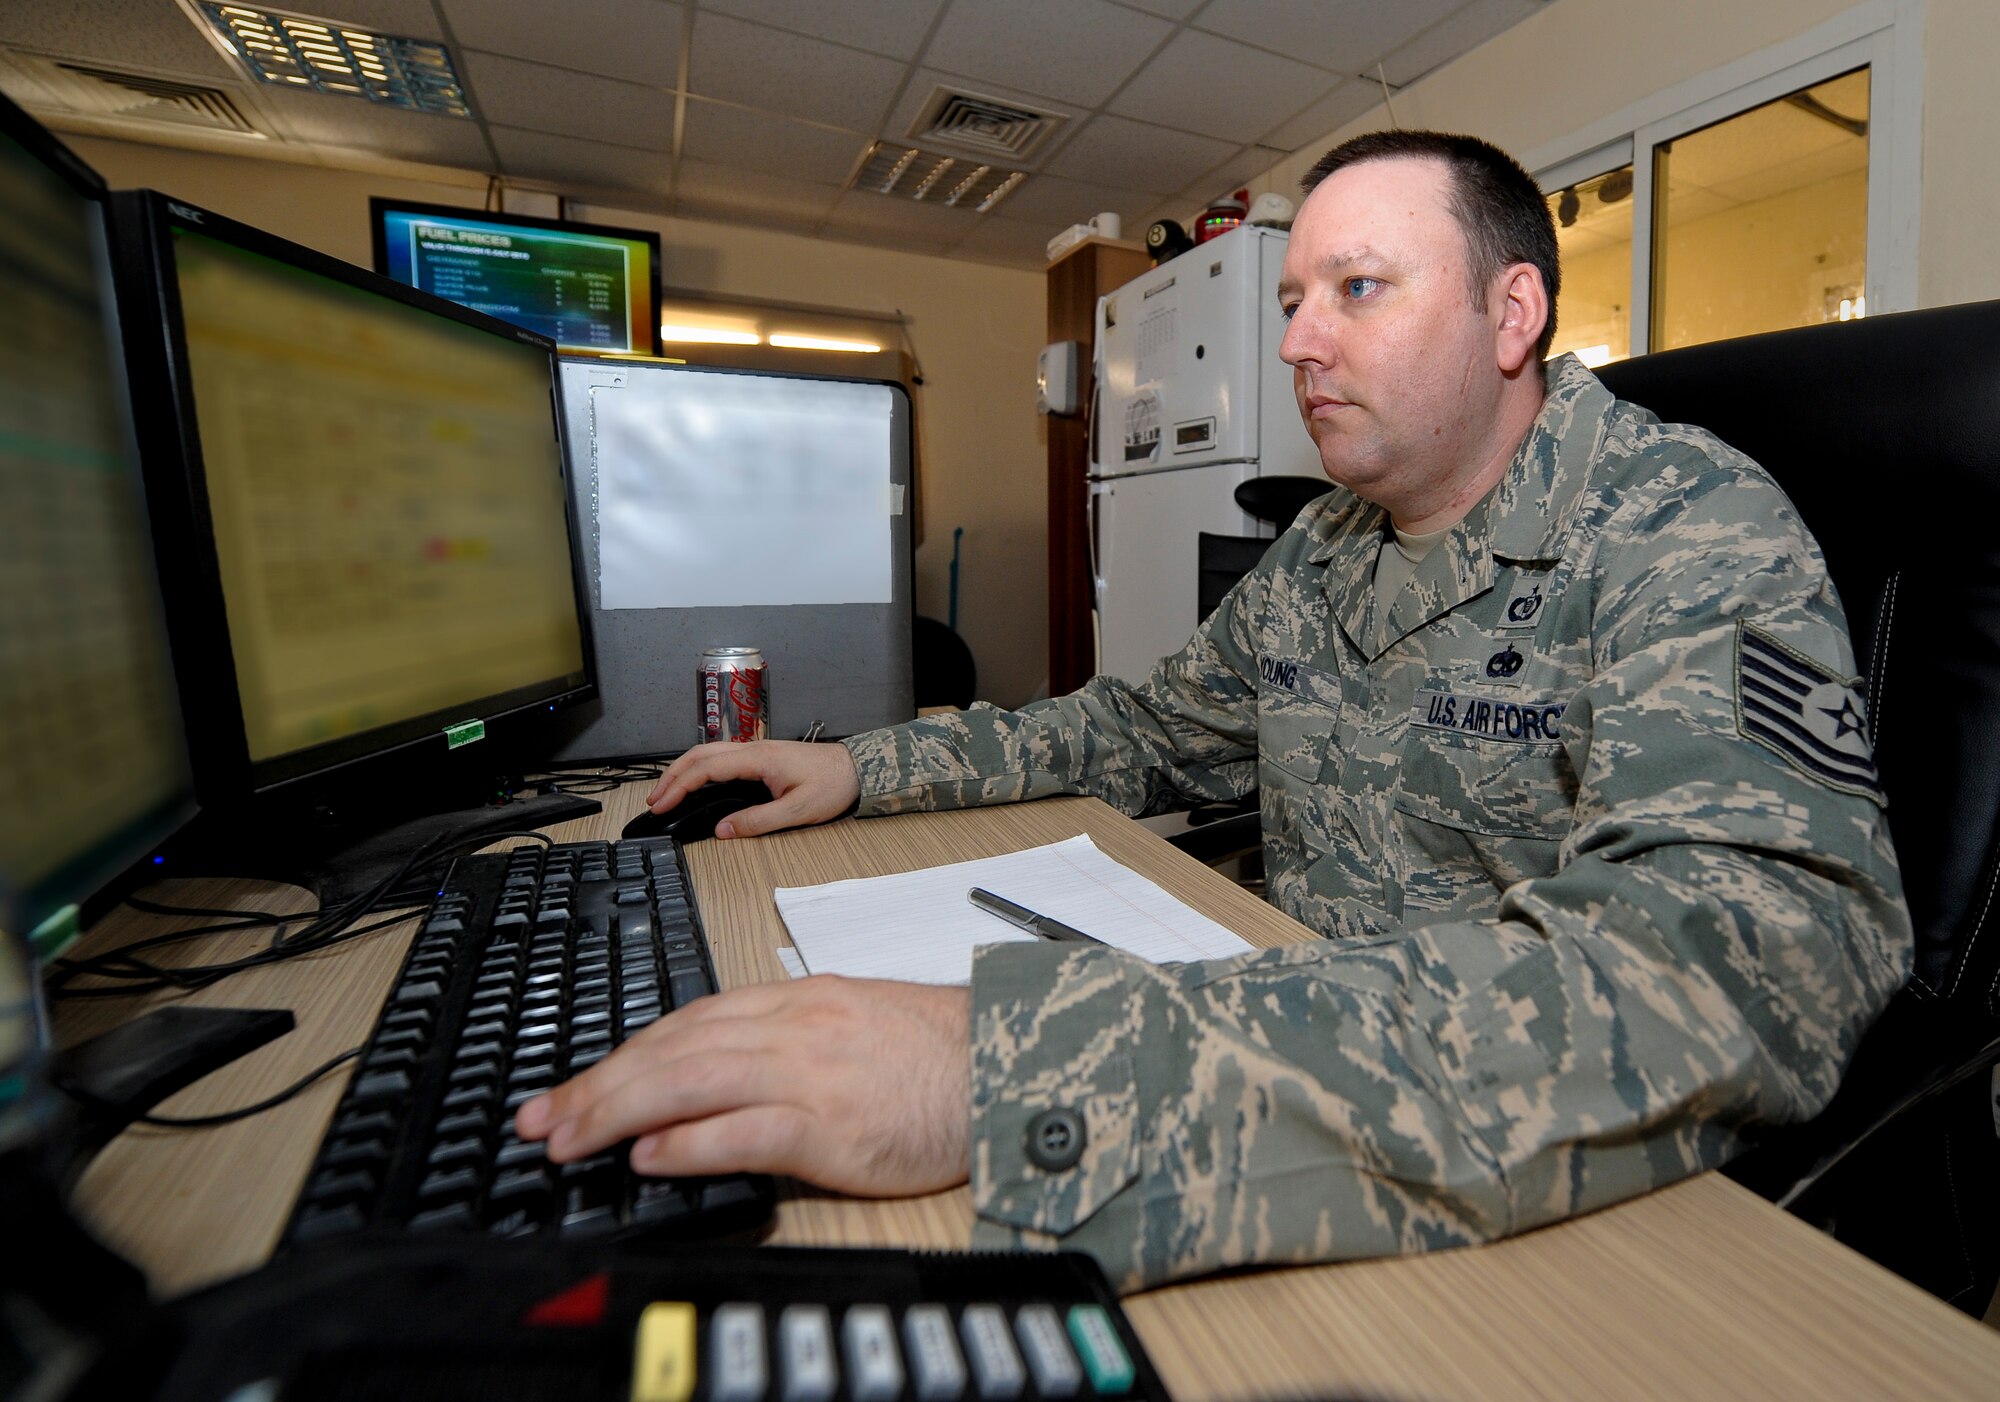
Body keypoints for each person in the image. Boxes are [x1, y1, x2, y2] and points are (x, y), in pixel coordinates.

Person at [518, 130, 1912, 1291]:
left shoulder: (1686, 528)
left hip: (1535, 1180)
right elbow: (1139, 730)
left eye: (1356, 289)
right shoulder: (1327, 546)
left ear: (1512, 315)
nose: (1299, 338)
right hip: (1287, 1080)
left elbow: (1743, 961)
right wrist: (861, 769)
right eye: (1295, 295)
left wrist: (1012, 1060)